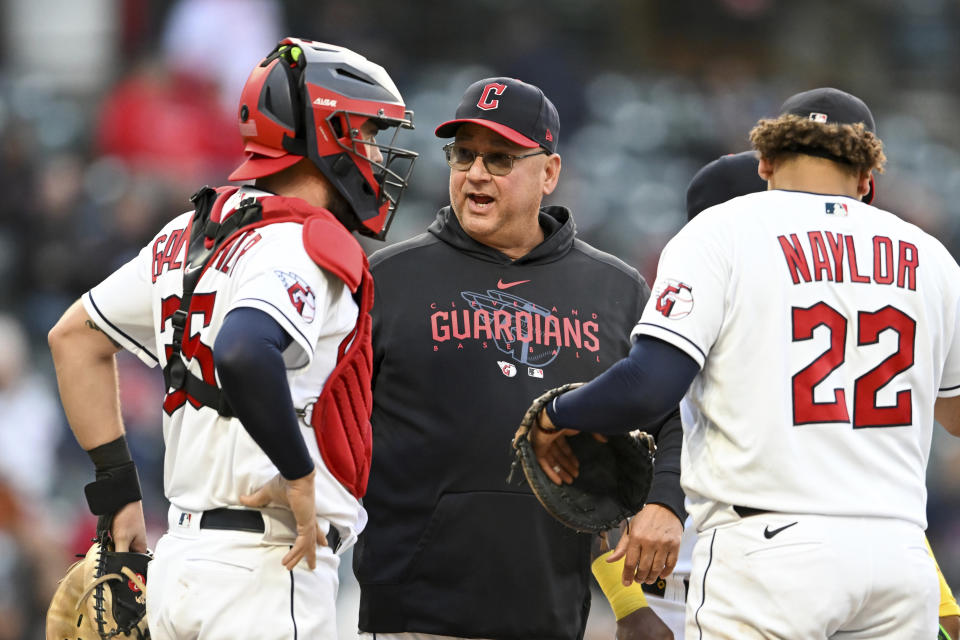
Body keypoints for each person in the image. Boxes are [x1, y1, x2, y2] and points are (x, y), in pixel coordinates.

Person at [531, 87, 960, 638]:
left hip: (770, 550)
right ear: (867, 180)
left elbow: (647, 387)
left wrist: (557, 415)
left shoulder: (725, 229)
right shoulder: (929, 256)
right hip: (899, 552)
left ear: (765, 163)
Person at [47, 37, 417, 639]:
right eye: (368, 133)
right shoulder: (304, 241)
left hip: (180, 567)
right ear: (328, 132)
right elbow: (244, 349)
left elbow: (73, 339)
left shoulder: (186, 232)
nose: (376, 154)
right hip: (267, 572)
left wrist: (117, 494)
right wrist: (298, 476)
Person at [352, 76, 684, 640]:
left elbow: (669, 414)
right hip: (412, 613)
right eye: (464, 155)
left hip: (553, 612)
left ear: (549, 172)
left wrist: (666, 503)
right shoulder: (388, 279)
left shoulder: (615, 290)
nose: (476, 174)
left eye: (501, 158)